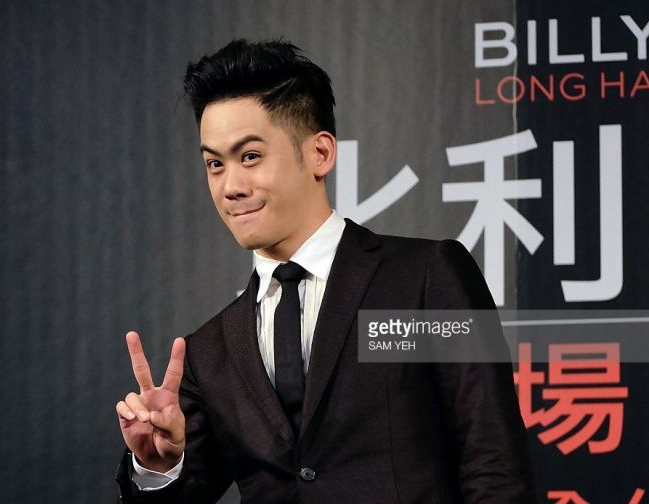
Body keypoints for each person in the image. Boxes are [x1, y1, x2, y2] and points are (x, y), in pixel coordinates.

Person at [114, 39, 536, 503]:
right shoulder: (208, 352)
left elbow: (495, 464)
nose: (230, 186)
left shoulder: (426, 279)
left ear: (320, 154)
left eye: (250, 156)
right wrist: (158, 468)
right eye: (215, 164)